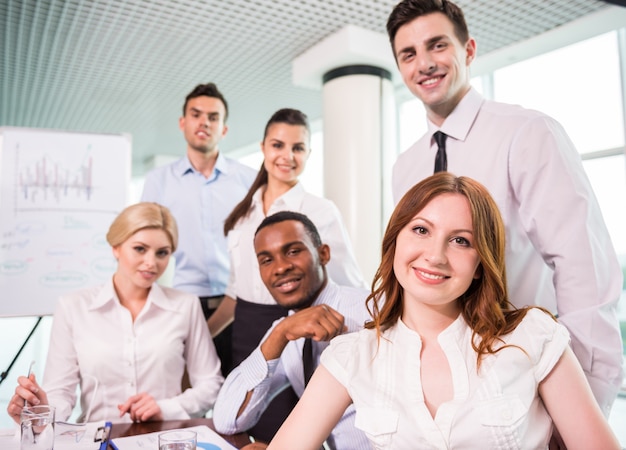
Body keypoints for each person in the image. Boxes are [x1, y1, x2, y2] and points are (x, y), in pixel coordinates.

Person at [264, 173, 620, 450]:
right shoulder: (353, 355)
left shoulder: (532, 335)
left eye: (461, 240)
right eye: (420, 230)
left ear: (481, 263)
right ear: (395, 241)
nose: (435, 255)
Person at [387, 0, 623, 415]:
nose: (424, 63)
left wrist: (586, 400)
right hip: (442, 384)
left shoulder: (526, 133)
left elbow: (583, 267)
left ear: (469, 50)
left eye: (437, 45)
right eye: (409, 54)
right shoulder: (406, 167)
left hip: (527, 373)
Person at [209, 108, 365, 441]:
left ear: (308, 153)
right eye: (278, 145)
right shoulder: (242, 214)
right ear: (263, 147)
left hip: (311, 317)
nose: (287, 156)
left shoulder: (319, 210)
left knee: (314, 420)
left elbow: (349, 281)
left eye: (298, 148)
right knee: (253, 423)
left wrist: (358, 320)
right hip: (258, 326)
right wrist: (202, 335)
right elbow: (235, 291)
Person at [6, 202, 223, 424]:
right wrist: (40, 412)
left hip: (163, 439)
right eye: (140, 249)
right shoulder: (73, 307)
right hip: (97, 440)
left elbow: (211, 384)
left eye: (162, 253)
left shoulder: (185, 306)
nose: (151, 262)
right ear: (116, 247)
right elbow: (60, 392)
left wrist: (165, 408)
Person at [213, 211, 370, 449]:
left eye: (293, 251)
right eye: (267, 260)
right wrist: (280, 334)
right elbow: (227, 420)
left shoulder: (371, 310)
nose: (280, 268)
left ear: (323, 254)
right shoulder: (285, 331)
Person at [141, 83, 257, 376]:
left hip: (241, 305)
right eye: (196, 114)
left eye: (213, 116)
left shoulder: (248, 180)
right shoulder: (159, 181)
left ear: (224, 129)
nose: (204, 121)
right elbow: (146, 243)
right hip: (182, 304)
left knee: (241, 390)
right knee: (183, 390)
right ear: (183, 123)